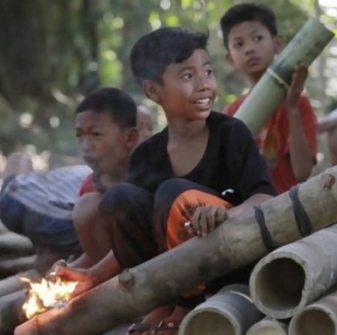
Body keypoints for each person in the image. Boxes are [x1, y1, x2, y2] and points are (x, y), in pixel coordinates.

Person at [57, 27, 277, 334]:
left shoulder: (231, 133)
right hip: (170, 278)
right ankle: (161, 301)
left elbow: (265, 197)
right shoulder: (147, 155)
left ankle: (187, 305)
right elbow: (139, 231)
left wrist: (228, 213)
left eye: (208, 72)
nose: (205, 85)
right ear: (153, 91)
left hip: (226, 262)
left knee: (173, 193)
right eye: (188, 76)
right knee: (119, 199)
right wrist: (92, 276)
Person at [220, 3, 318, 194]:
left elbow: (302, 172)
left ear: (277, 43)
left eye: (257, 38)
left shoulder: (298, 103)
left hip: (291, 205)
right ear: (230, 58)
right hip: (249, 210)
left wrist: (292, 109)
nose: (249, 49)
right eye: (239, 44)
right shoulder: (232, 114)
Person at [67, 91, 154, 269]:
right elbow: (98, 249)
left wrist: (94, 275)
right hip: (118, 272)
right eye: (79, 135)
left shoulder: (153, 172)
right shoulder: (94, 184)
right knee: (87, 206)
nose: (85, 147)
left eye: (96, 135)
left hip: (161, 262)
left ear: (130, 138)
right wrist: (71, 270)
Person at [0, 153, 91, 272]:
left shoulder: (86, 170)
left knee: (19, 157)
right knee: (95, 235)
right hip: (50, 221)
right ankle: (48, 262)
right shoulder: (106, 176)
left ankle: (45, 260)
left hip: (11, 198)